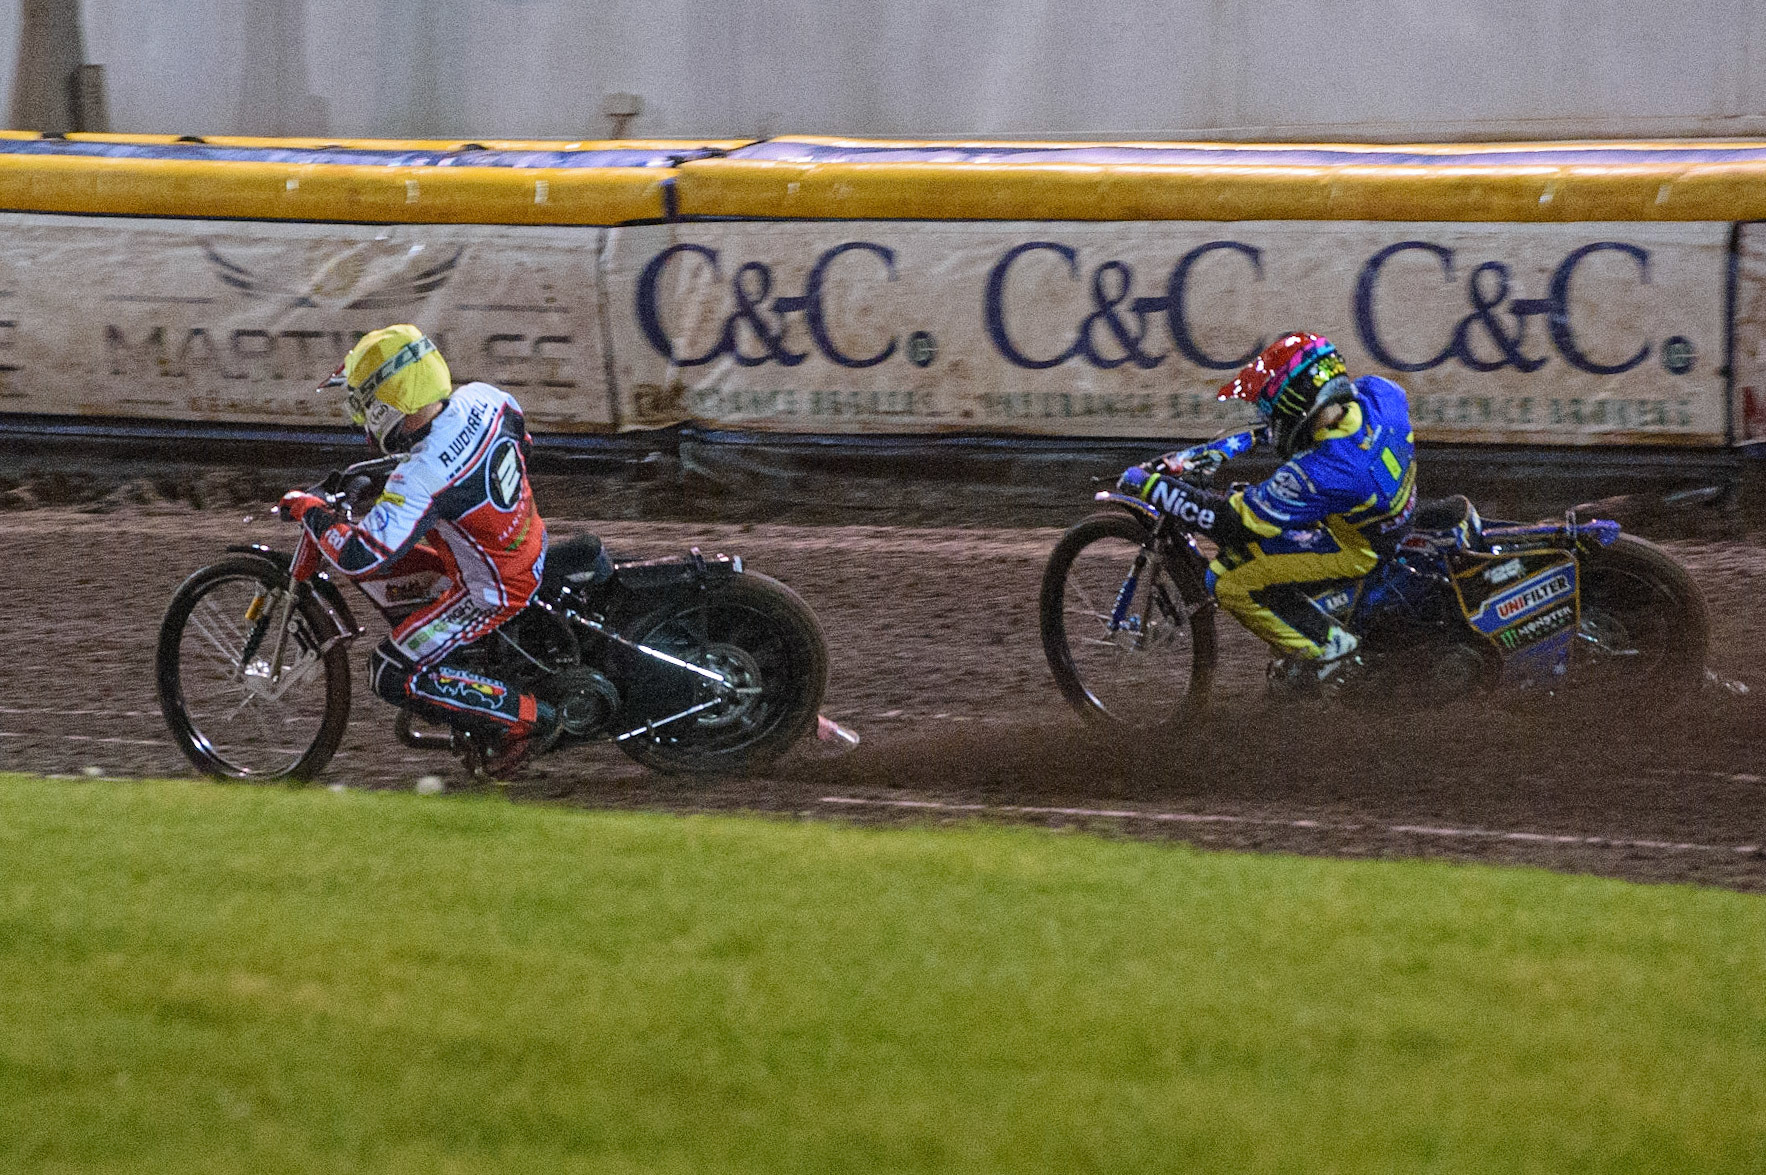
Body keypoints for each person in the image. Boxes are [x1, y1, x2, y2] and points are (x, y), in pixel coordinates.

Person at [277, 324, 561, 771]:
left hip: (494, 589)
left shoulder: (422, 477)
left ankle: (523, 718)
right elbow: (523, 441)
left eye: (363, 404)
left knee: (389, 672)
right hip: (529, 540)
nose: (361, 417)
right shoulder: (485, 397)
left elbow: (359, 554)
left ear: (387, 404)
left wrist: (309, 511)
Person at [1116, 332, 1417, 688]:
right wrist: (1227, 447)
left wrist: (1153, 486)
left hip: (1357, 549)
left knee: (1227, 580)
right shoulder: (1381, 395)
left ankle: (1330, 651)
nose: (1272, 420)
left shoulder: (1320, 472)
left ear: (1301, 407)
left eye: (1275, 412)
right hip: (1390, 517)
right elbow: (1299, 429)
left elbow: (1232, 523)